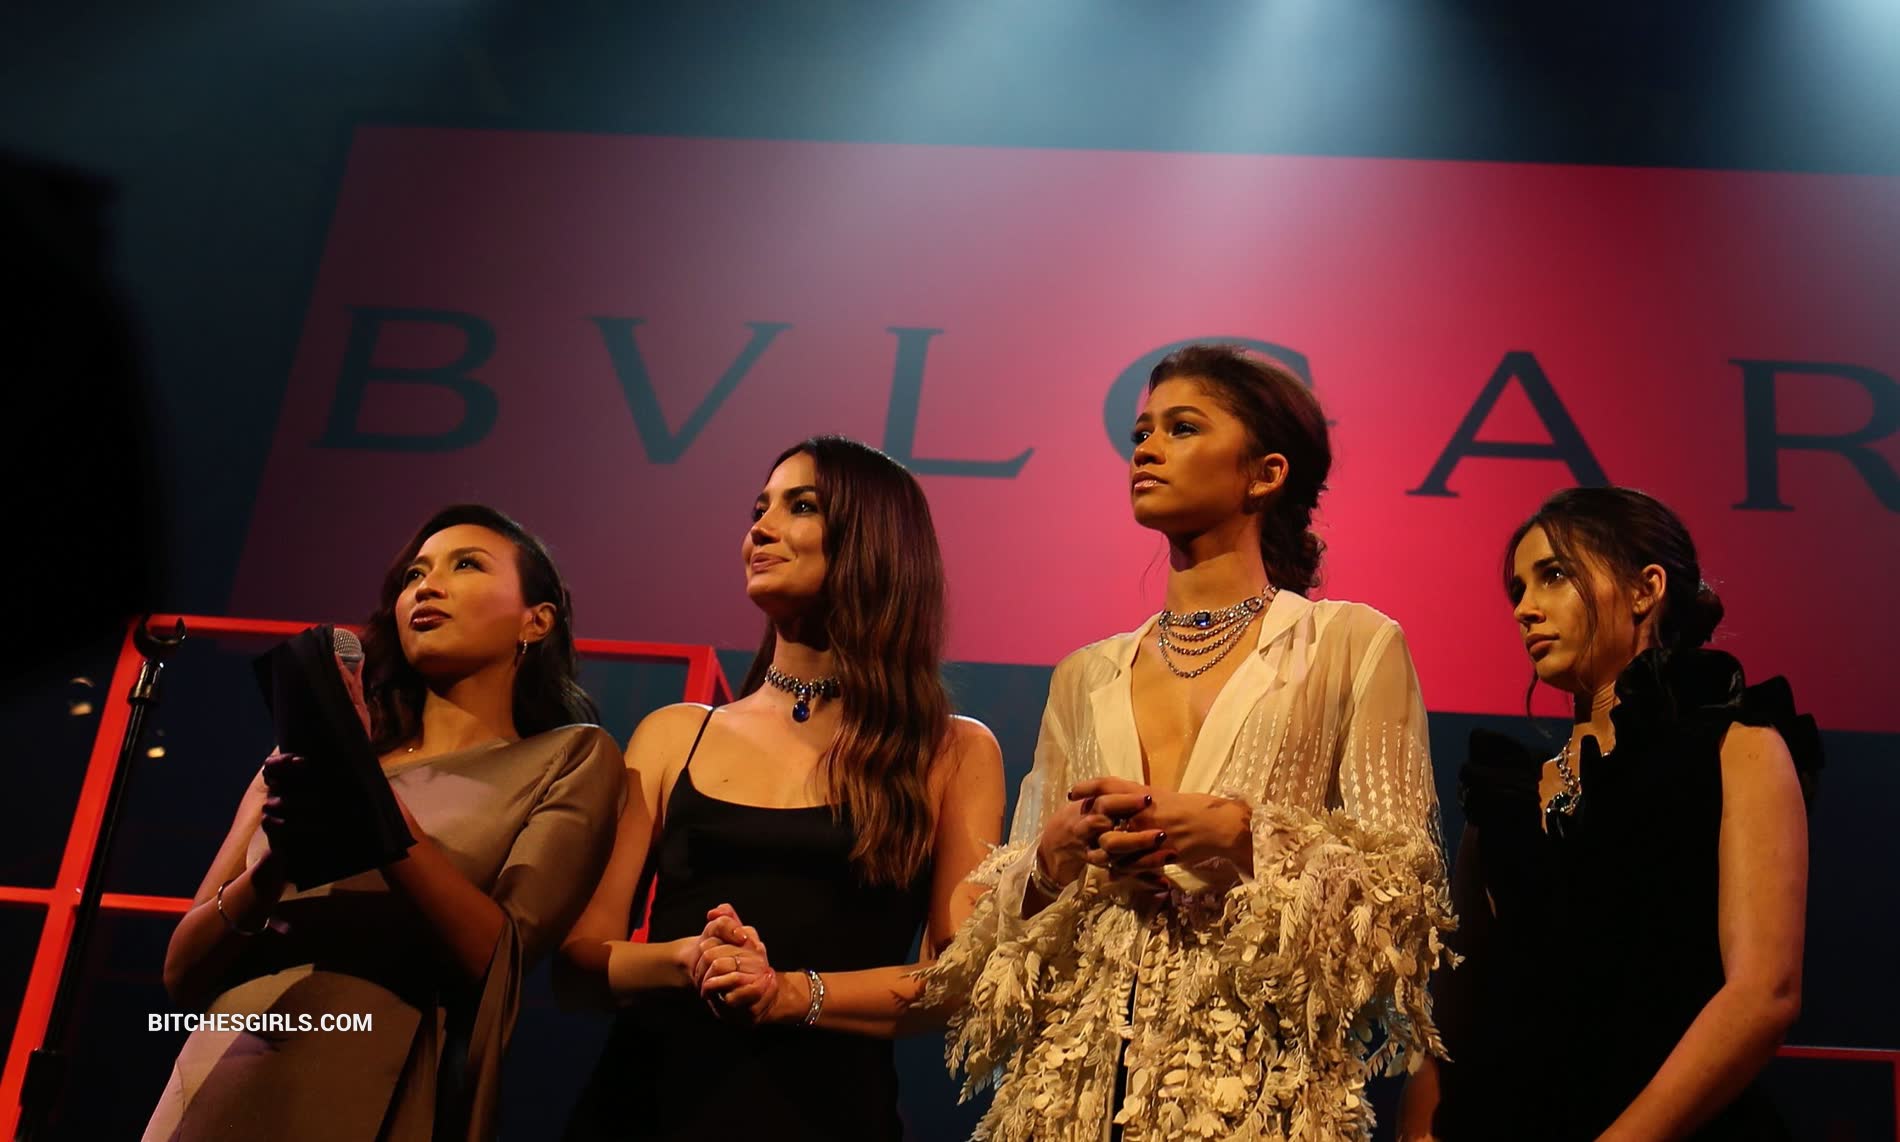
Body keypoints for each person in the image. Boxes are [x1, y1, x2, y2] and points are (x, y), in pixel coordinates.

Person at [922, 345, 1455, 1141]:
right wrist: (1054, 856)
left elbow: (1402, 899)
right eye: (1142, 432)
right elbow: (987, 942)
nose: (1145, 448)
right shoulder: (1085, 675)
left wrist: (1242, 837)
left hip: (1253, 1100)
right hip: (1070, 1102)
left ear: (1265, 474)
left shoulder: (1350, 644)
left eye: (1182, 428)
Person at [558, 435, 1004, 1141]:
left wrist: (790, 994)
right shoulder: (675, 734)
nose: (760, 529)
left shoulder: (952, 751)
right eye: (758, 509)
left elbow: (957, 980)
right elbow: (580, 964)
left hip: (829, 1117)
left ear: (874, 541)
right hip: (648, 1109)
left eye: (800, 507)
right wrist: (688, 959)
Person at [147, 504, 623, 1141]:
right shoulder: (297, 760)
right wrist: (276, 865)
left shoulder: (573, 755)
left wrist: (364, 798)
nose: (427, 586)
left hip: (368, 1079)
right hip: (214, 1076)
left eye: (466, 565)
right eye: (413, 576)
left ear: (535, 621)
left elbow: (498, 963)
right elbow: (181, 972)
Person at [1400, 486, 1819, 1141]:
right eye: (1518, 590)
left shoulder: (1737, 748)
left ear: (1645, 589)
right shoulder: (1506, 797)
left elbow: (1764, 994)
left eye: (1554, 576)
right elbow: (1452, 1017)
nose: (1525, 609)